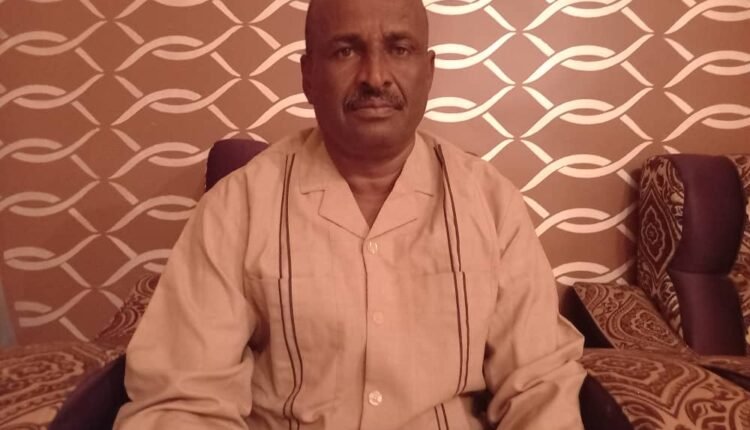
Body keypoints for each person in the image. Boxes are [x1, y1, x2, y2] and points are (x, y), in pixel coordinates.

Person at [114, 0, 586, 428]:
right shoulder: (237, 207)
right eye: (345, 51)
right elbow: (183, 401)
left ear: (428, 72)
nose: (375, 77)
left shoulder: (491, 204)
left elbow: (538, 387)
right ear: (308, 76)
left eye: (399, 49)